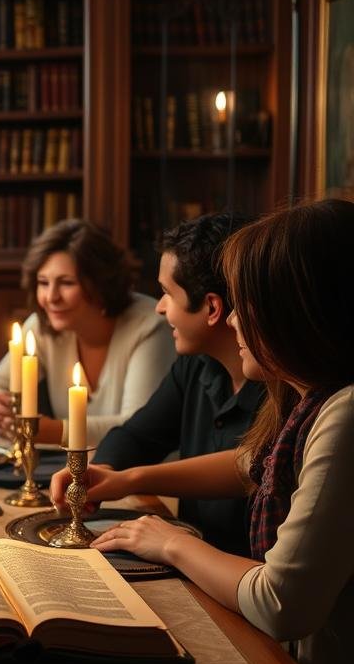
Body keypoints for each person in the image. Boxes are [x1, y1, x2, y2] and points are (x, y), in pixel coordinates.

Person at [51, 199, 354, 664]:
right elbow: (249, 463)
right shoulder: (312, 398)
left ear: (295, 310)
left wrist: (172, 542)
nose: (235, 317)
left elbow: (281, 600)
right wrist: (123, 479)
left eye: (250, 303)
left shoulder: (345, 413)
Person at [92, 213, 264, 554]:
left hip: (237, 582)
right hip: (188, 568)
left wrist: (130, 480)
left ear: (212, 308)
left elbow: (250, 465)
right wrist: (102, 471)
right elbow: (137, 436)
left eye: (167, 293)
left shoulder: (284, 389)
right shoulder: (195, 366)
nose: (158, 308)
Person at [0, 219, 175, 446]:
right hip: (72, 471)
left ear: (101, 284)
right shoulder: (42, 326)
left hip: (145, 474)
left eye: (66, 283)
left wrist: (56, 431)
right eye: (43, 283)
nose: (51, 297)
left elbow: (138, 425)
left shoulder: (150, 326)